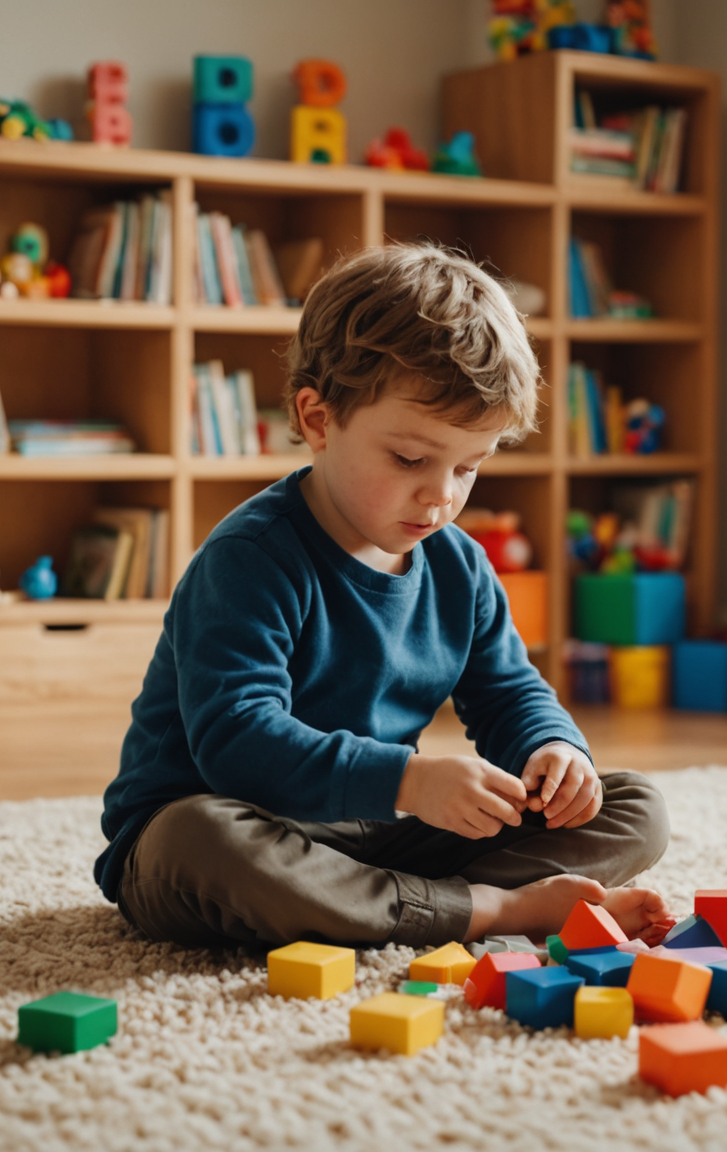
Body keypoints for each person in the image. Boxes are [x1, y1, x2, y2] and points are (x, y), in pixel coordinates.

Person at [95, 244, 674, 952]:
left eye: (469, 466)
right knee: (197, 837)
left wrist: (553, 752)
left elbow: (507, 692)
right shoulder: (249, 559)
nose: (442, 495)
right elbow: (236, 742)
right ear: (318, 420)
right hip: (238, 824)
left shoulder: (459, 565)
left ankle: (399, 904)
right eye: (410, 460)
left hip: (381, 834)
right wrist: (410, 780)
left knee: (636, 808)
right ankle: (488, 911)